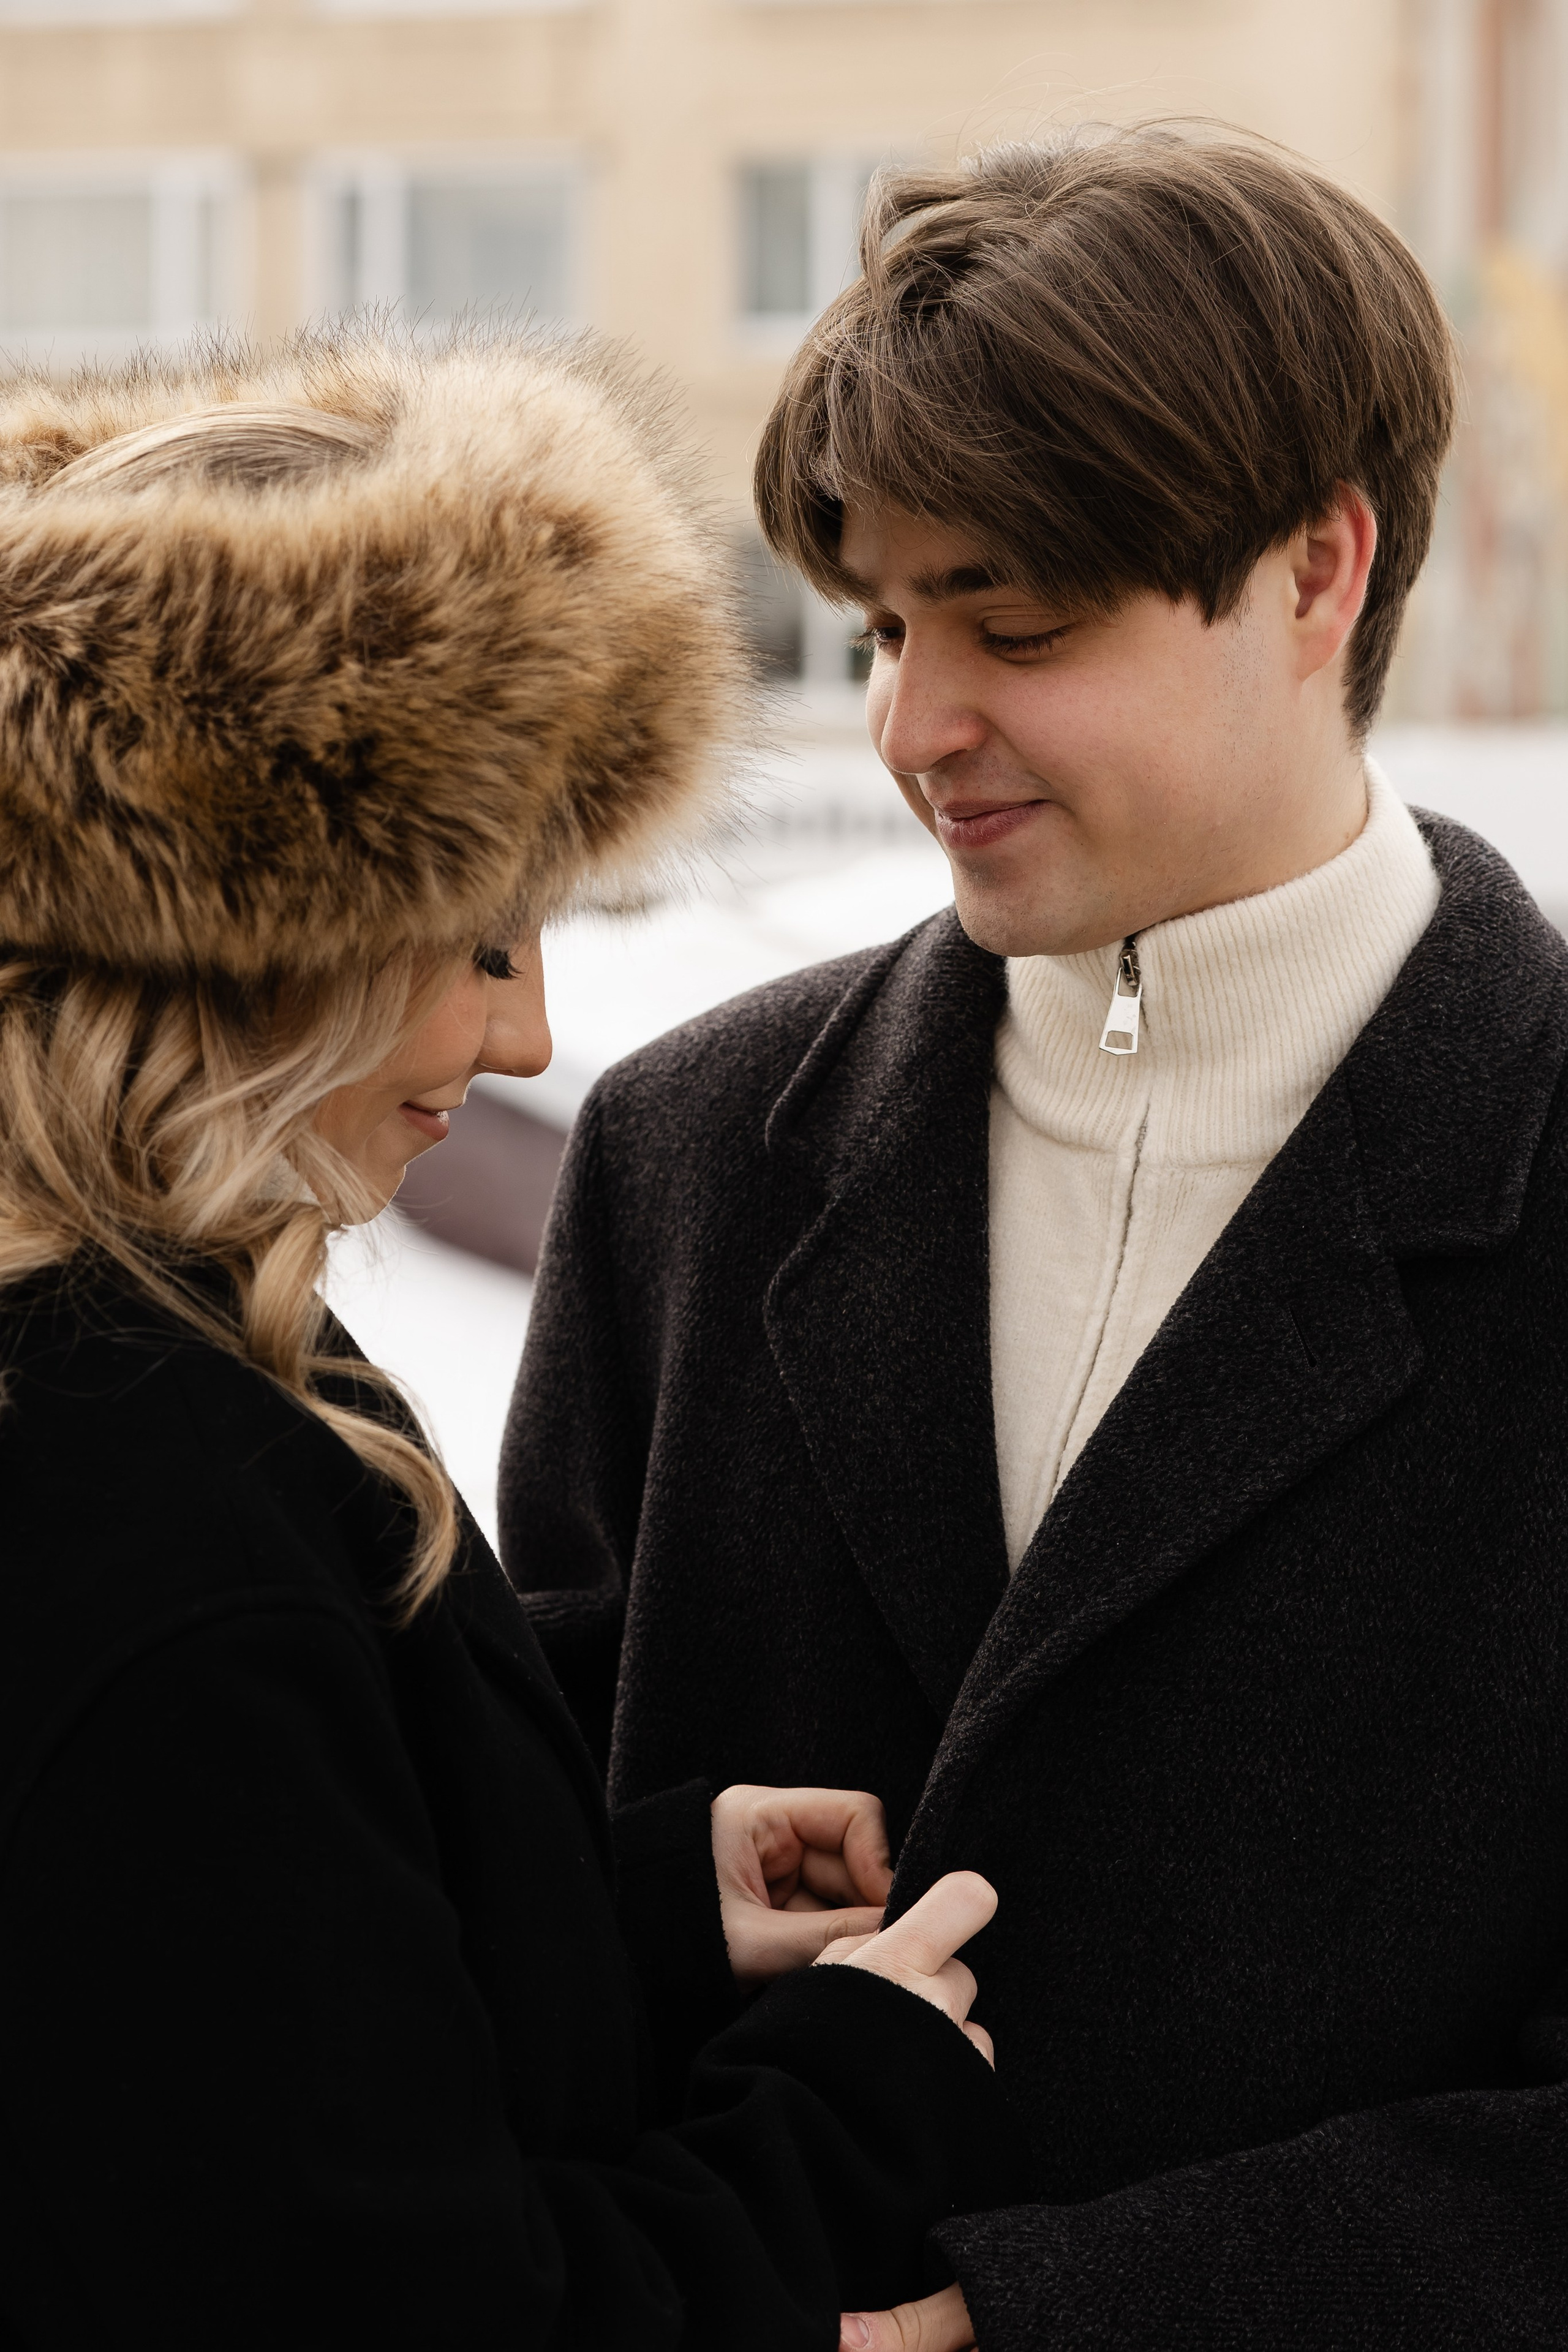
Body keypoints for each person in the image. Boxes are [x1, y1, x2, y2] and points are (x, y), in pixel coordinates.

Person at [500, 127, 1568, 2348]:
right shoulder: (686, 1160)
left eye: (1020, 622)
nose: (912, 727)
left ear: (1318, 570)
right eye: (884, 624)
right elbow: (522, 1929)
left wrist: (1060, 2319)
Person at [0, 327, 1027, 2348]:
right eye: (479, 940)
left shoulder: (144, 1364)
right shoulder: (159, 1508)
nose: (530, 1039)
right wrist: (841, 2110)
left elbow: (196, 2050)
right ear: (255, 926)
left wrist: (634, 1909)